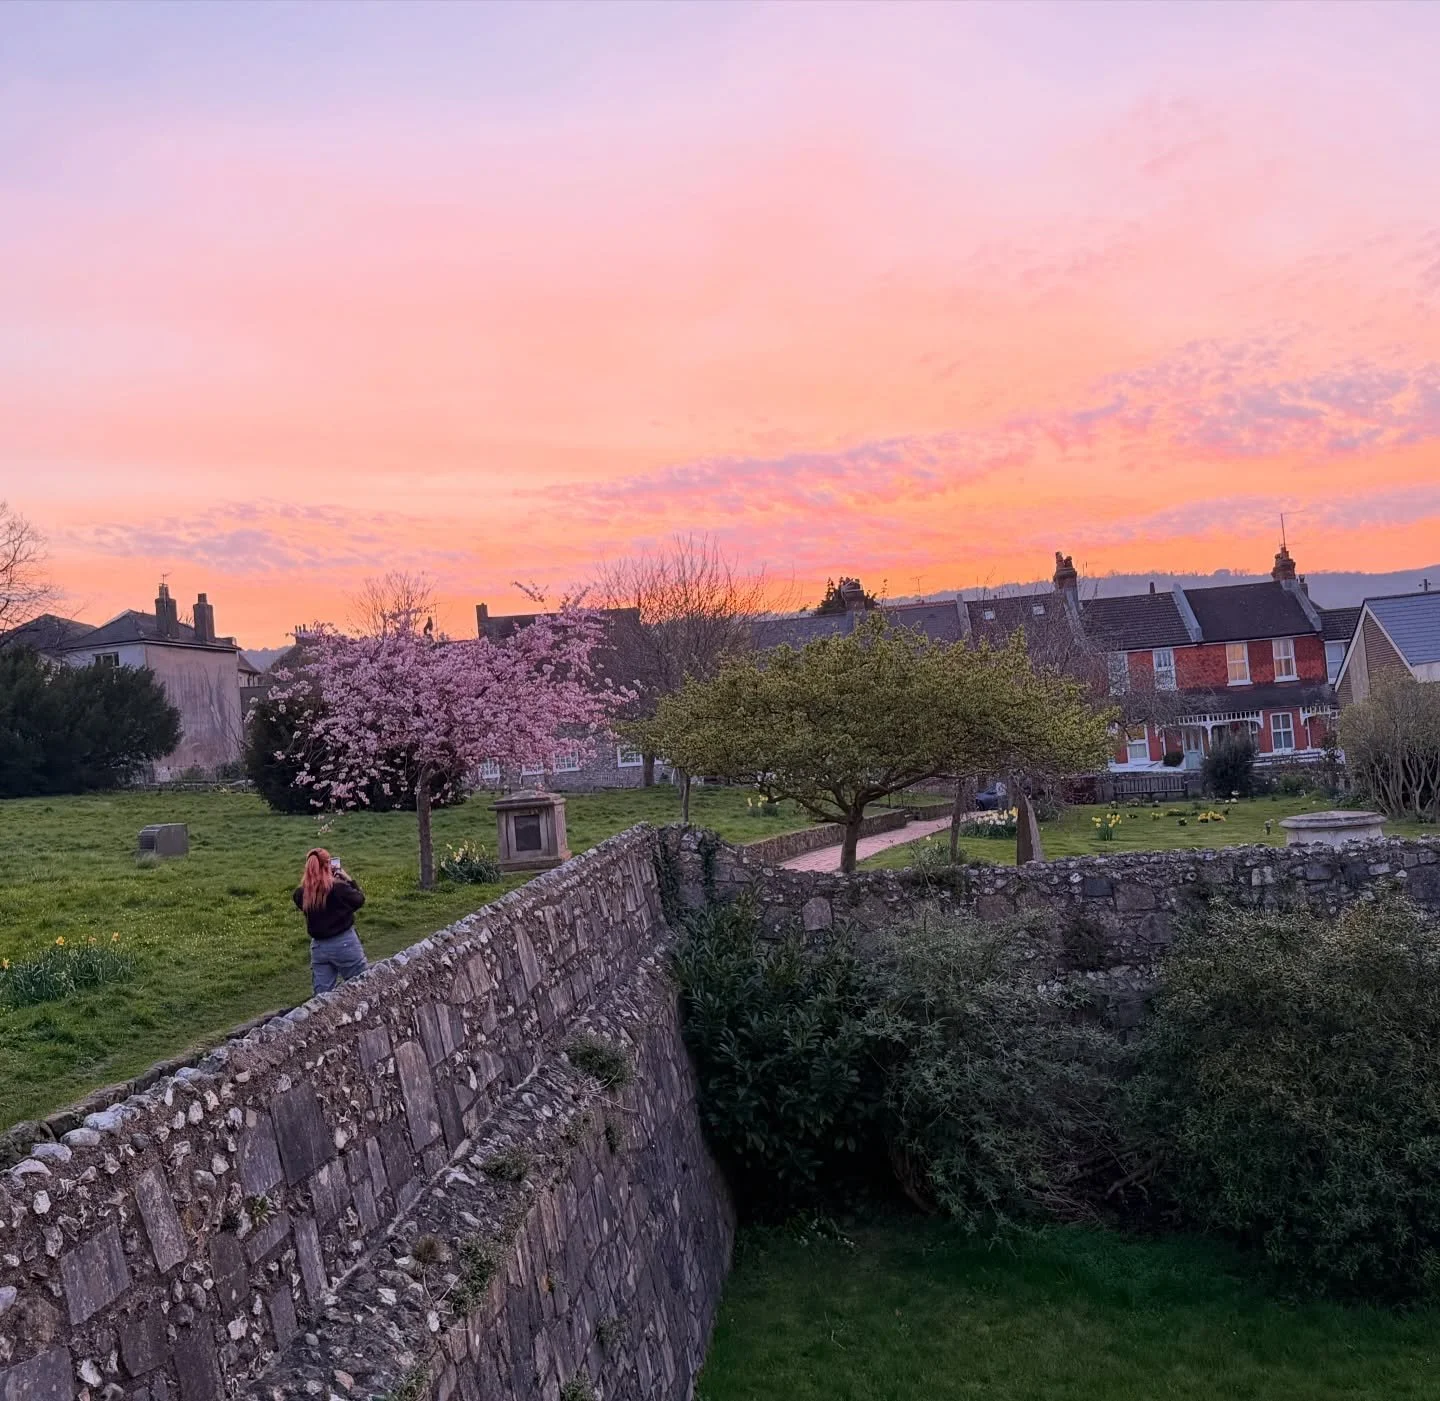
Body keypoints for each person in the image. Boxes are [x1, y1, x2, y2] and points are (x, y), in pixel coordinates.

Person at [293, 847, 368, 994]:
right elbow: (359, 900)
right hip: (345, 944)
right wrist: (348, 880)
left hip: (319, 948)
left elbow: (305, 904)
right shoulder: (339, 888)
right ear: (329, 865)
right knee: (363, 987)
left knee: (322, 997)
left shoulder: (302, 893)